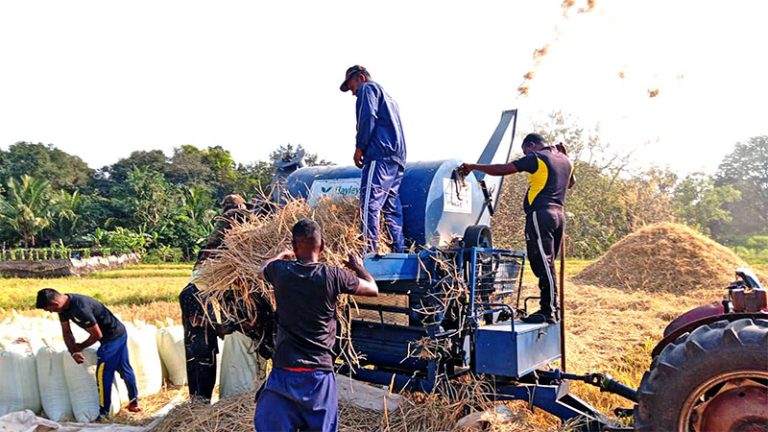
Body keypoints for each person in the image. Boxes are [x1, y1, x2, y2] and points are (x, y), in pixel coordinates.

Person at [253, 218, 379, 432]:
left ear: (294, 246)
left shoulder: (280, 271)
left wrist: (280, 256)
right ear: (323, 247)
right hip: (318, 377)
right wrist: (358, 267)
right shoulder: (333, 275)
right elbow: (372, 288)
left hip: (285, 373)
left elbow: (261, 269)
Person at [459, 133, 575, 324]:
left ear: (531, 145)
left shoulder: (538, 157)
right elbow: (570, 183)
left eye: (525, 151)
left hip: (541, 214)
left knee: (544, 262)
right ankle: (552, 307)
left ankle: (549, 310)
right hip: (559, 216)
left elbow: (504, 169)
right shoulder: (565, 159)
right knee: (547, 262)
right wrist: (566, 156)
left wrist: (474, 166)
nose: (525, 154)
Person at [181, 193, 252, 401]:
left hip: (208, 343)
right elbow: (197, 320)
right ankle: (197, 409)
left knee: (209, 370)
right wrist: (221, 327)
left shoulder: (210, 292)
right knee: (200, 374)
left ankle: (203, 404)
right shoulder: (193, 292)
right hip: (198, 347)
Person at [36, 288, 141, 417]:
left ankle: (104, 414)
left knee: (103, 375)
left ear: (54, 304)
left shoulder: (80, 308)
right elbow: (67, 332)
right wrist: (73, 351)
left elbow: (97, 334)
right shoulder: (63, 309)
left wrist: (80, 346)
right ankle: (133, 403)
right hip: (114, 334)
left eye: (49, 309)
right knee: (124, 368)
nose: (51, 312)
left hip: (113, 337)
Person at [340, 65, 407, 254]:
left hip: (380, 154)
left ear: (360, 78)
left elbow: (367, 116)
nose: (353, 93)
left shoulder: (368, 89)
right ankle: (398, 249)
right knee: (391, 206)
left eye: (352, 87)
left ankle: (368, 250)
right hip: (397, 157)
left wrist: (360, 147)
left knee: (370, 202)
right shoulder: (390, 99)